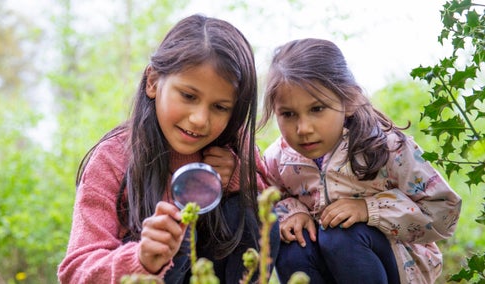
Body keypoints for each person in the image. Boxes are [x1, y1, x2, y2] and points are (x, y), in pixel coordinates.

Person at [58, 14, 279, 284]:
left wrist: (237, 177)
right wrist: (141, 258)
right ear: (153, 82)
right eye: (188, 96)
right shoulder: (114, 158)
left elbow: (272, 201)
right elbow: (75, 270)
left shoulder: (234, 144)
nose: (200, 119)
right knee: (180, 233)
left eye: (220, 107)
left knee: (254, 209)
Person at [258, 38, 462, 284]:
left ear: (350, 100)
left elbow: (444, 212)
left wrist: (369, 209)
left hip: (396, 267)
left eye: (317, 109)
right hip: (325, 265)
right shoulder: (278, 158)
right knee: (293, 243)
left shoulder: (385, 147)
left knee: (341, 235)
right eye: (288, 114)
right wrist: (292, 212)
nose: (303, 128)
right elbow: (266, 197)